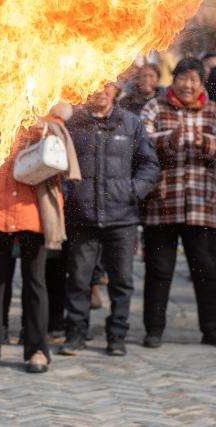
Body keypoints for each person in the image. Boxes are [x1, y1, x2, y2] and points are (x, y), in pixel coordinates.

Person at [0, 115, 81, 373]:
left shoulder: (50, 120)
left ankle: (38, 349)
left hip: (33, 210)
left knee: (35, 282)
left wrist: (43, 132)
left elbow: (59, 163)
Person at [59, 83, 159, 357]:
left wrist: (133, 191)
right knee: (78, 280)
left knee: (122, 281)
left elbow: (149, 164)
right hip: (83, 216)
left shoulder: (131, 123)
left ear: (115, 91)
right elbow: (61, 166)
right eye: (93, 86)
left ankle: (117, 336)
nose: (99, 92)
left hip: (122, 217)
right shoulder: (74, 124)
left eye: (106, 86)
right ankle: (75, 334)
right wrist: (70, 195)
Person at [140, 58, 216, 348]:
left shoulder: (212, 110)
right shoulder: (155, 107)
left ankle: (211, 329)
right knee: (159, 270)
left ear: (201, 82)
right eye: (182, 78)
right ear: (173, 79)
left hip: (203, 203)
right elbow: (141, 142)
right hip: (162, 203)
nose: (187, 85)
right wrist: (170, 138)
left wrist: (205, 143)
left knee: (207, 270)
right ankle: (154, 329)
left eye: (193, 80)